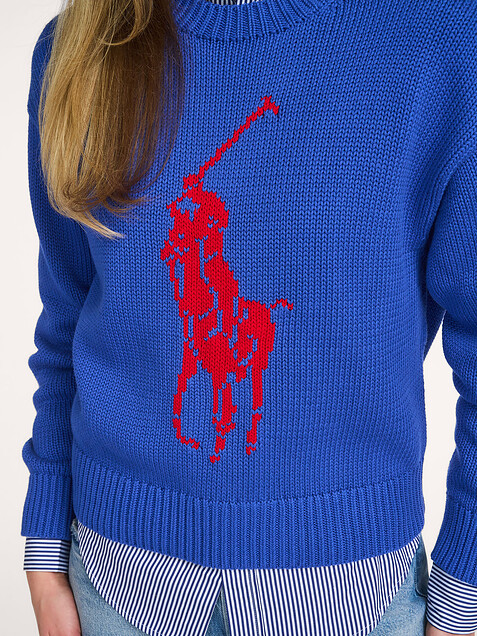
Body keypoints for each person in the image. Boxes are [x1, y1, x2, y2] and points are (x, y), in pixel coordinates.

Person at [21, 1, 477, 635]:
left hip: (347, 595)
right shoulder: (80, 49)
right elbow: (66, 315)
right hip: (117, 582)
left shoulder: (441, 36)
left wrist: (462, 595)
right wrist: (42, 545)